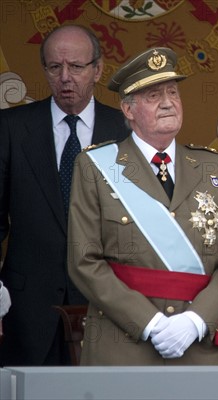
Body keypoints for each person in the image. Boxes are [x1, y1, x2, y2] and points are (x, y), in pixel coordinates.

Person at [66, 47, 218, 366]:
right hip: (124, 344)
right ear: (128, 109)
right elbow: (84, 260)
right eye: (153, 96)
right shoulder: (96, 166)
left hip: (199, 345)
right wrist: (149, 323)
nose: (168, 102)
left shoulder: (212, 166)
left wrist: (195, 321)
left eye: (172, 92)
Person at [0, 24, 130, 366]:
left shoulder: (126, 132)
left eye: (76, 67)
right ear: (45, 70)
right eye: (55, 68)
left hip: (109, 308)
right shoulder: (11, 128)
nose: (65, 78)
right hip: (27, 309)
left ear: (98, 70)